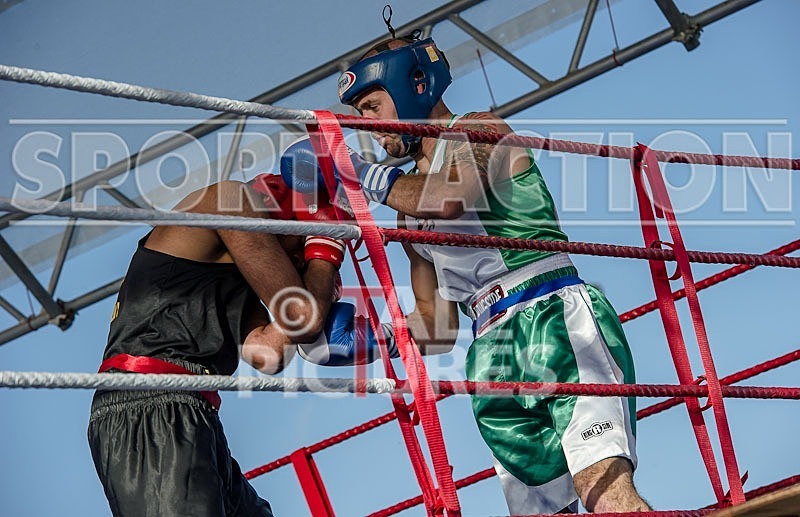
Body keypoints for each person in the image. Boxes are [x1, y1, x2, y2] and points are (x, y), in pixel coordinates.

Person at [281, 35, 651, 514]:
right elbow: (437, 328)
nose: (366, 125)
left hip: (551, 315)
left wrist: (354, 172)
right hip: (489, 351)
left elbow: (447, 196)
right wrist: (373, 340)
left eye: (372, 107)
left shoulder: (479, 129)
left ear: (416, 84)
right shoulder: (406, 214)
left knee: (605, 494)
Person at [87, 174, 366, 516]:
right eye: (301, 249)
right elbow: (302, 316)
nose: (298, 264)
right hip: (150, 408)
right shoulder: (231, 199)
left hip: (189, 412)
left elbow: (268, 352)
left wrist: (316, 277)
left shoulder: (233, 265)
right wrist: (325, 250)